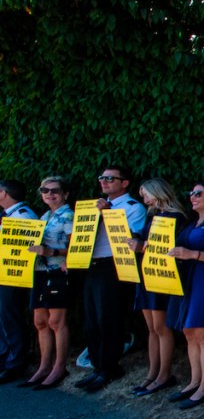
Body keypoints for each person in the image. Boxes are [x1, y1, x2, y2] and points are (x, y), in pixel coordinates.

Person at [74, 164, 146, 393]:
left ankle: (109, 367)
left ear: (124, 183)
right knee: (91, 319)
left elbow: (131, 238)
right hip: (92, 264)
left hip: (113, 266)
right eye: (102, 178)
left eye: (110, 178)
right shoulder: (94, 205)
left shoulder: (133, 207)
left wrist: (107, 214)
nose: (104, 182)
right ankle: (97, 365)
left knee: (108, 318)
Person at [130, 178, 187, 397]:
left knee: (161, 328)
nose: (144, 199)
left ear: (158, 193)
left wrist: (143, 247)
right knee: (152, 329)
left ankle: (164, 374)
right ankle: (152, 373)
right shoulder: (152, 215)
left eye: (146, 194)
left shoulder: (177, 217)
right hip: (147, 274)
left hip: (163, 277)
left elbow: (171, 248)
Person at [165, 181, 204, 408]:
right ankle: (194, 381)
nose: (193, 197)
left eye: (199, 193)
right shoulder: (191, 222)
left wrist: (191, 254)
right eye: (191, 193)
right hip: (188, 279)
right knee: (189, 331)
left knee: (203, 331)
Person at [23, 177, 74, 389]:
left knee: (56, 321)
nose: (49, 194)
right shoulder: (44, 215)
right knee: (40, 321)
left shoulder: (68, 216)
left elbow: (77, 247)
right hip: (40, 271)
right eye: (45, 190)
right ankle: (44, 366)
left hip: (58, 271)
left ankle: (59, 367)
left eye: (55, 191)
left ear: (65, 194)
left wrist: (52, 251)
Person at [0, 179, 39, 384]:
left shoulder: (23, 215)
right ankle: (6, 356)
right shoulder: (8, 216)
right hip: (4, 273)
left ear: (4, 193)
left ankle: (16, 362)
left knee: (11, 316)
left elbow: (25, 250)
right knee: (4, 317)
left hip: (14, 275)